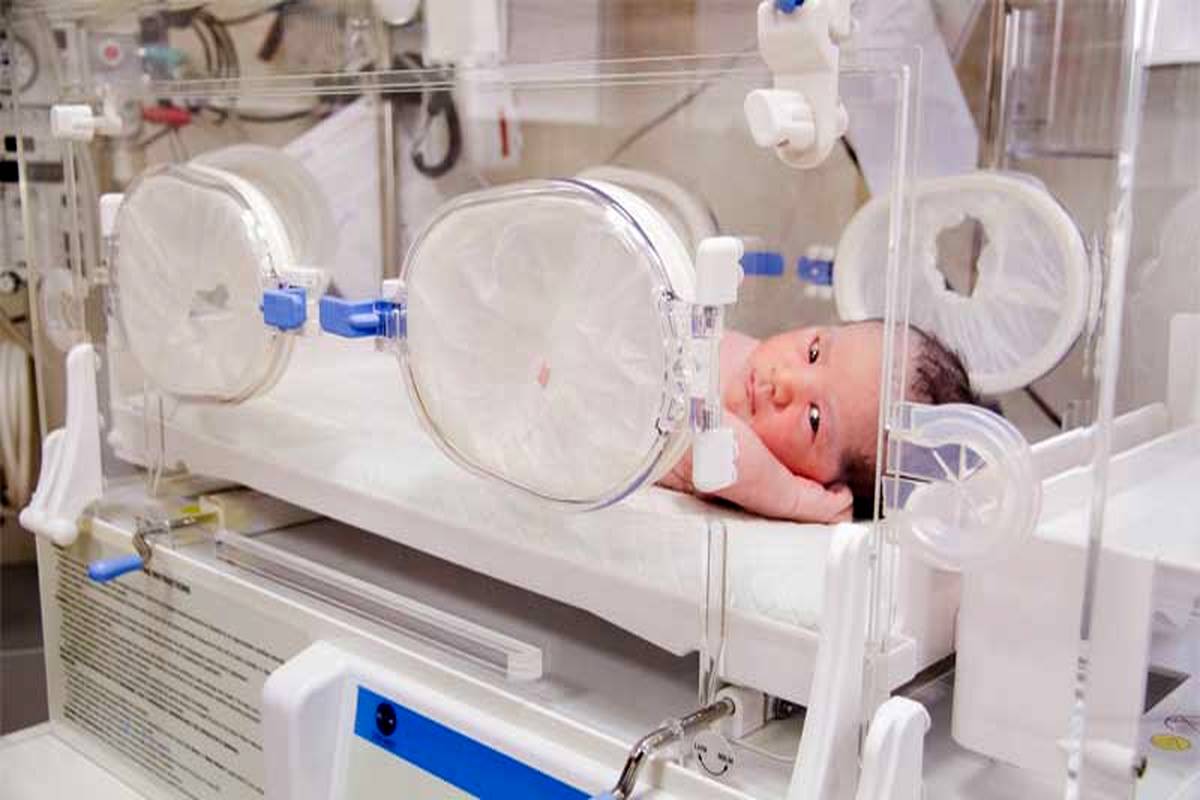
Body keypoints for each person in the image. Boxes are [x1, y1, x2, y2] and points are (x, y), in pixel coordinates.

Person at [658, 320, 983, 522]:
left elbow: (710, 445)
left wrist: (794, 499)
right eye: (813, 353)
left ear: (822, 485)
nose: (785, 381)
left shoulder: (753, 467)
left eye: (814, 418)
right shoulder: (747, 356)